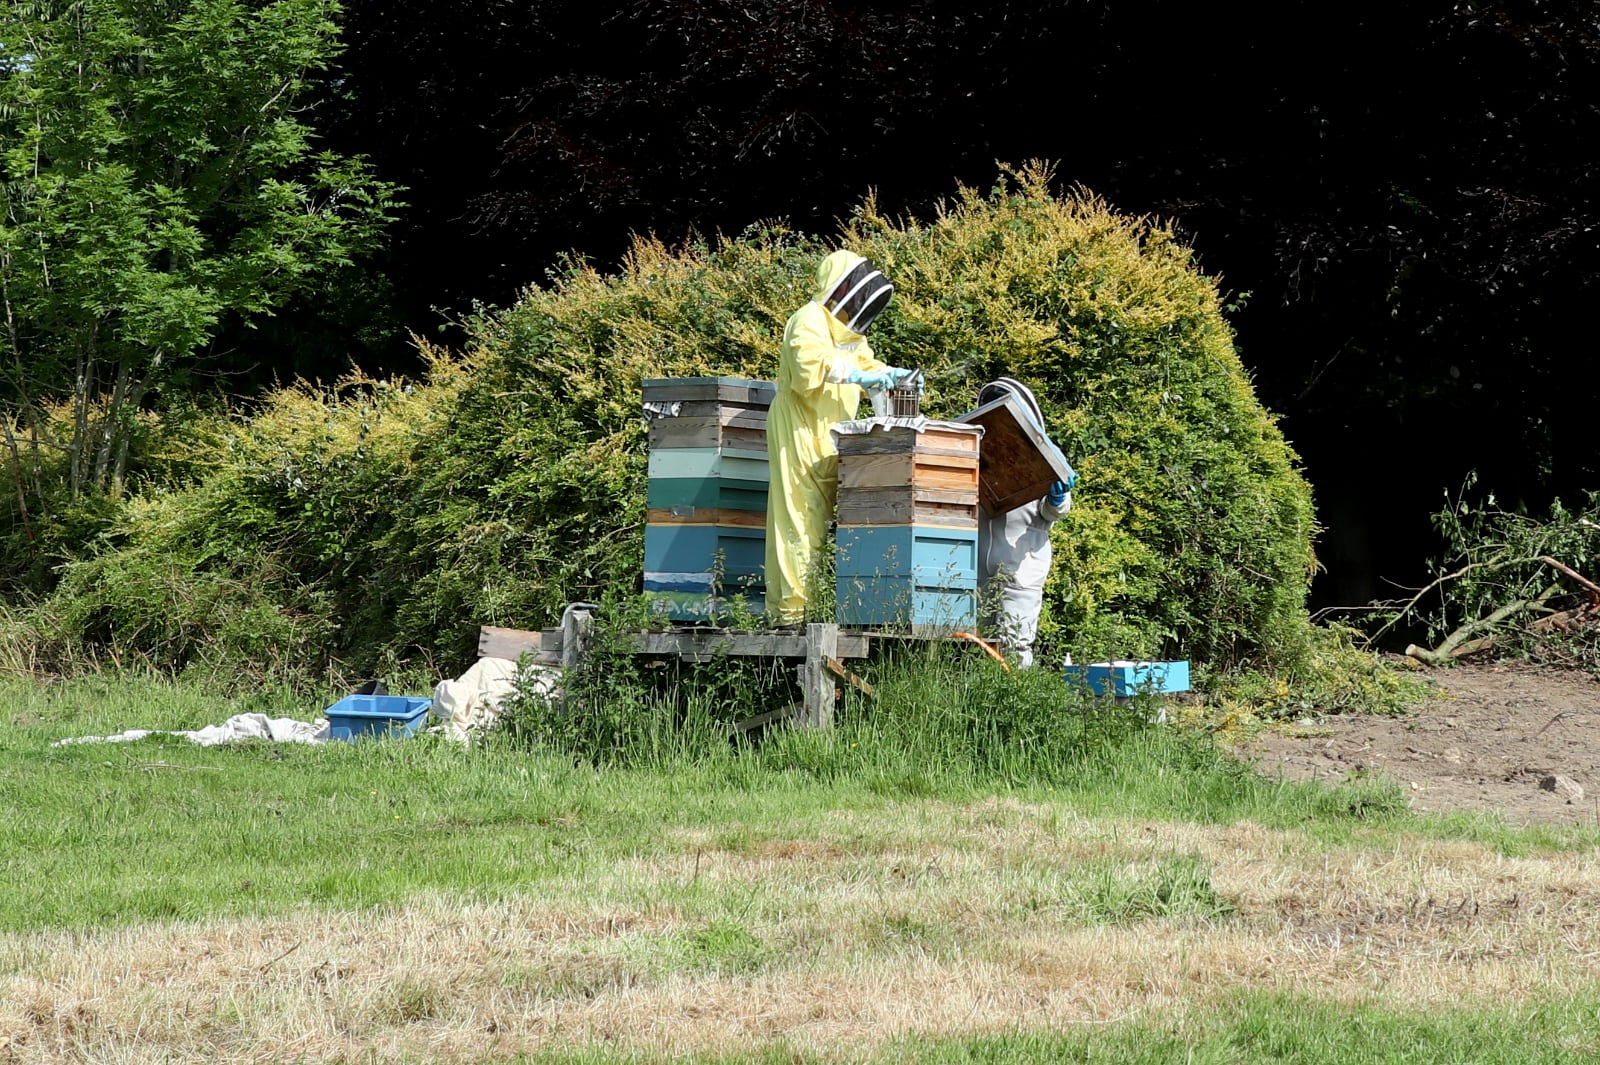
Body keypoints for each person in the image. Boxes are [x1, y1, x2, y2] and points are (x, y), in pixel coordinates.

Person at [765, 250, 915, 623]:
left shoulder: (846, 331)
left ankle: (824, 610)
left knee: (839, 526)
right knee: (798, 525)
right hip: (798, 434)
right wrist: (858, 377)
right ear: (838, 284)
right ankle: (792, 617)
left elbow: (866, 365)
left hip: (834, 437)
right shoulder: (808, 320)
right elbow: (807, 370)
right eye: (850, 285)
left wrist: (894, 374)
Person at [976, 378, 1074, 668]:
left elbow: (1055, 510)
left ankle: (1013, 704)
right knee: (976, 643)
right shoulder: (980, 453)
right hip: (978, 566)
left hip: (1022, 565)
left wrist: (1057, 498)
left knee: (1014, 643)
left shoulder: (1046, 453)